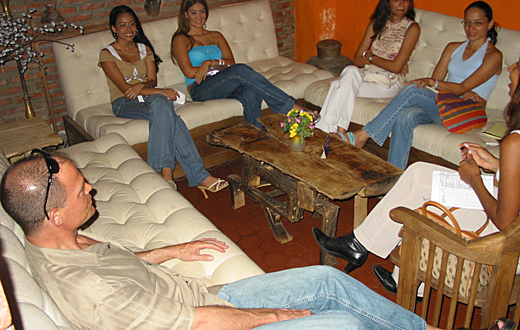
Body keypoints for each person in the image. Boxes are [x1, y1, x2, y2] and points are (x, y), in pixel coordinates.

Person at [1, 152, 514, 330]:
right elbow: (195, 324)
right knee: (343, 322)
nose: (91, 186)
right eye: (79, 187)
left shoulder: (61, 241)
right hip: (207, 321)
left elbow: (121, 263)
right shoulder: (88, 290)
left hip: (202, 300)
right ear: (52, 211)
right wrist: (273, 317)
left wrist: (172, 251)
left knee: (322, 279)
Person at [312, 57, 520, 297]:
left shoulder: (514, 141)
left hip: (507, 238)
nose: (511, 68)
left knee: (426, 204)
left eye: (517, 65)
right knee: (419, 172)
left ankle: (386, 265)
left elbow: (506, 223)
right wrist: (495, 164)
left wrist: (474, 179)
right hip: (505, 207)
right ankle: (371, 254)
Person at [346, 0, 502, 170]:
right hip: (445, 104)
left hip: (467, 112)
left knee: (413, 90)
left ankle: (364, 134)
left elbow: (461, 86)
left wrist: (450, 89)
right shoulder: (453, 48)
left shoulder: (493, 56)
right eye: (467, 22)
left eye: (478, 23)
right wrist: (449, 89)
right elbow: (436, 85)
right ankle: (394, 178)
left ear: (490, 24)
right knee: (407, 115)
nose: (471, 28)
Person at [99, 5, 227, 197]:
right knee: (163, 105)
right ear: (114, 29)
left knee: (163, 107)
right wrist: (155, 91)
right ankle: (191, 175)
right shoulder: (107, 54)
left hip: (149, 98)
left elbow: (152, 80)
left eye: (132, 24)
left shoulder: (144, 49)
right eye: (122, 25)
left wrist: (143, 87)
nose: (128, 29)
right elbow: (126, 91)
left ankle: (164, 174)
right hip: (124, 103)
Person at [171, 0, 315, 130]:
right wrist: (213, 65)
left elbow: (230, 62)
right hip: (200, 88)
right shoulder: (181, 39)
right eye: (193, 12)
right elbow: (190, 73)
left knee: (250, 92)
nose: (199, 17)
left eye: (202, 11)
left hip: (224, 82)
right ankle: (293, 108)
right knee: (240, 70)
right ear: (186, 14)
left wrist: (209, 63)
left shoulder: (215, 36)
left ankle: (255, 142)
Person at [315, 0, 420, 143]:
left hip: (388, 84)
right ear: (388, 1)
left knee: (338, 85)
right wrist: (370, 59)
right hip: (367, 75)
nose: (402, 4)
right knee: (349, 72)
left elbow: (396, 67)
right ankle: (337, 134)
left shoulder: (412, 28)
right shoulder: (376, 24)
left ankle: (329, 133)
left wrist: (370, 57)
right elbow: (357, 59)